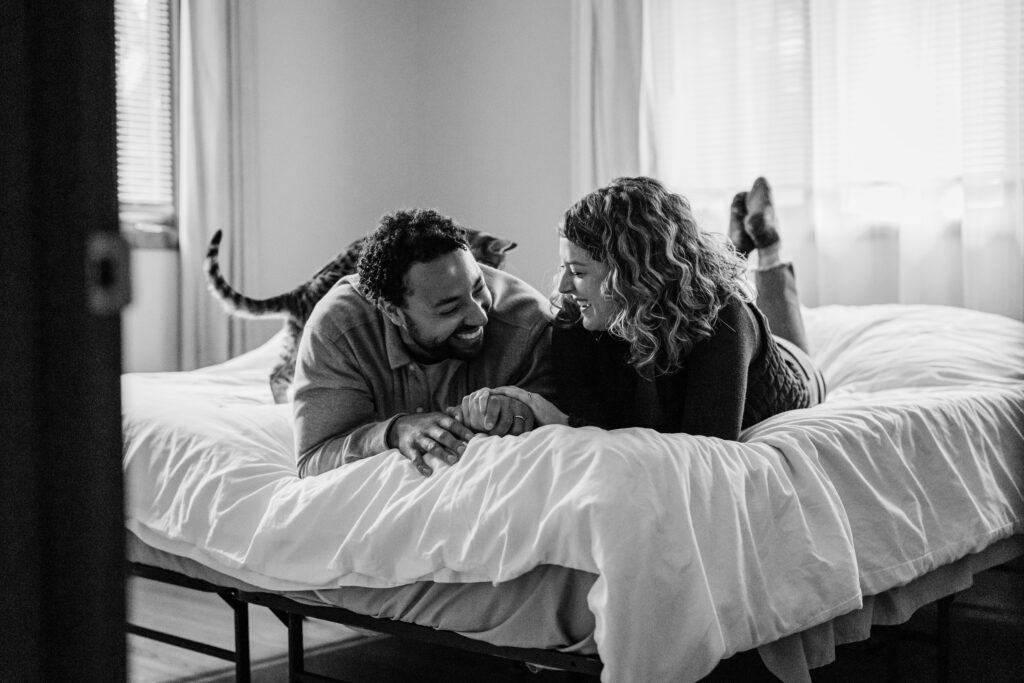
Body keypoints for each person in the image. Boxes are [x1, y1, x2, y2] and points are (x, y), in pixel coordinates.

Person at [458, 176, 825, 440]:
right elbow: (594, 419)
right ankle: (736, 249)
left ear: (632, 275)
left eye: (579, 272)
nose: (564, 287)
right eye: (564, 267)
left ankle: (768, 247)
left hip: (793, 374)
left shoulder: (723, 317)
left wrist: (567, 425)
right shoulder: (575, 320)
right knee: (714, 277)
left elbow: (707, 446)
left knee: (762, 320)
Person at [291, 208, 554, 478]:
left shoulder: (530, 326)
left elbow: (562, 430)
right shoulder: (338, 331)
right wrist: (393, 432)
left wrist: (521, 413)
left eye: (478, 288)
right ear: (393, 312)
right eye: (450, 308)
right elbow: (313, 459)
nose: (480, 317)